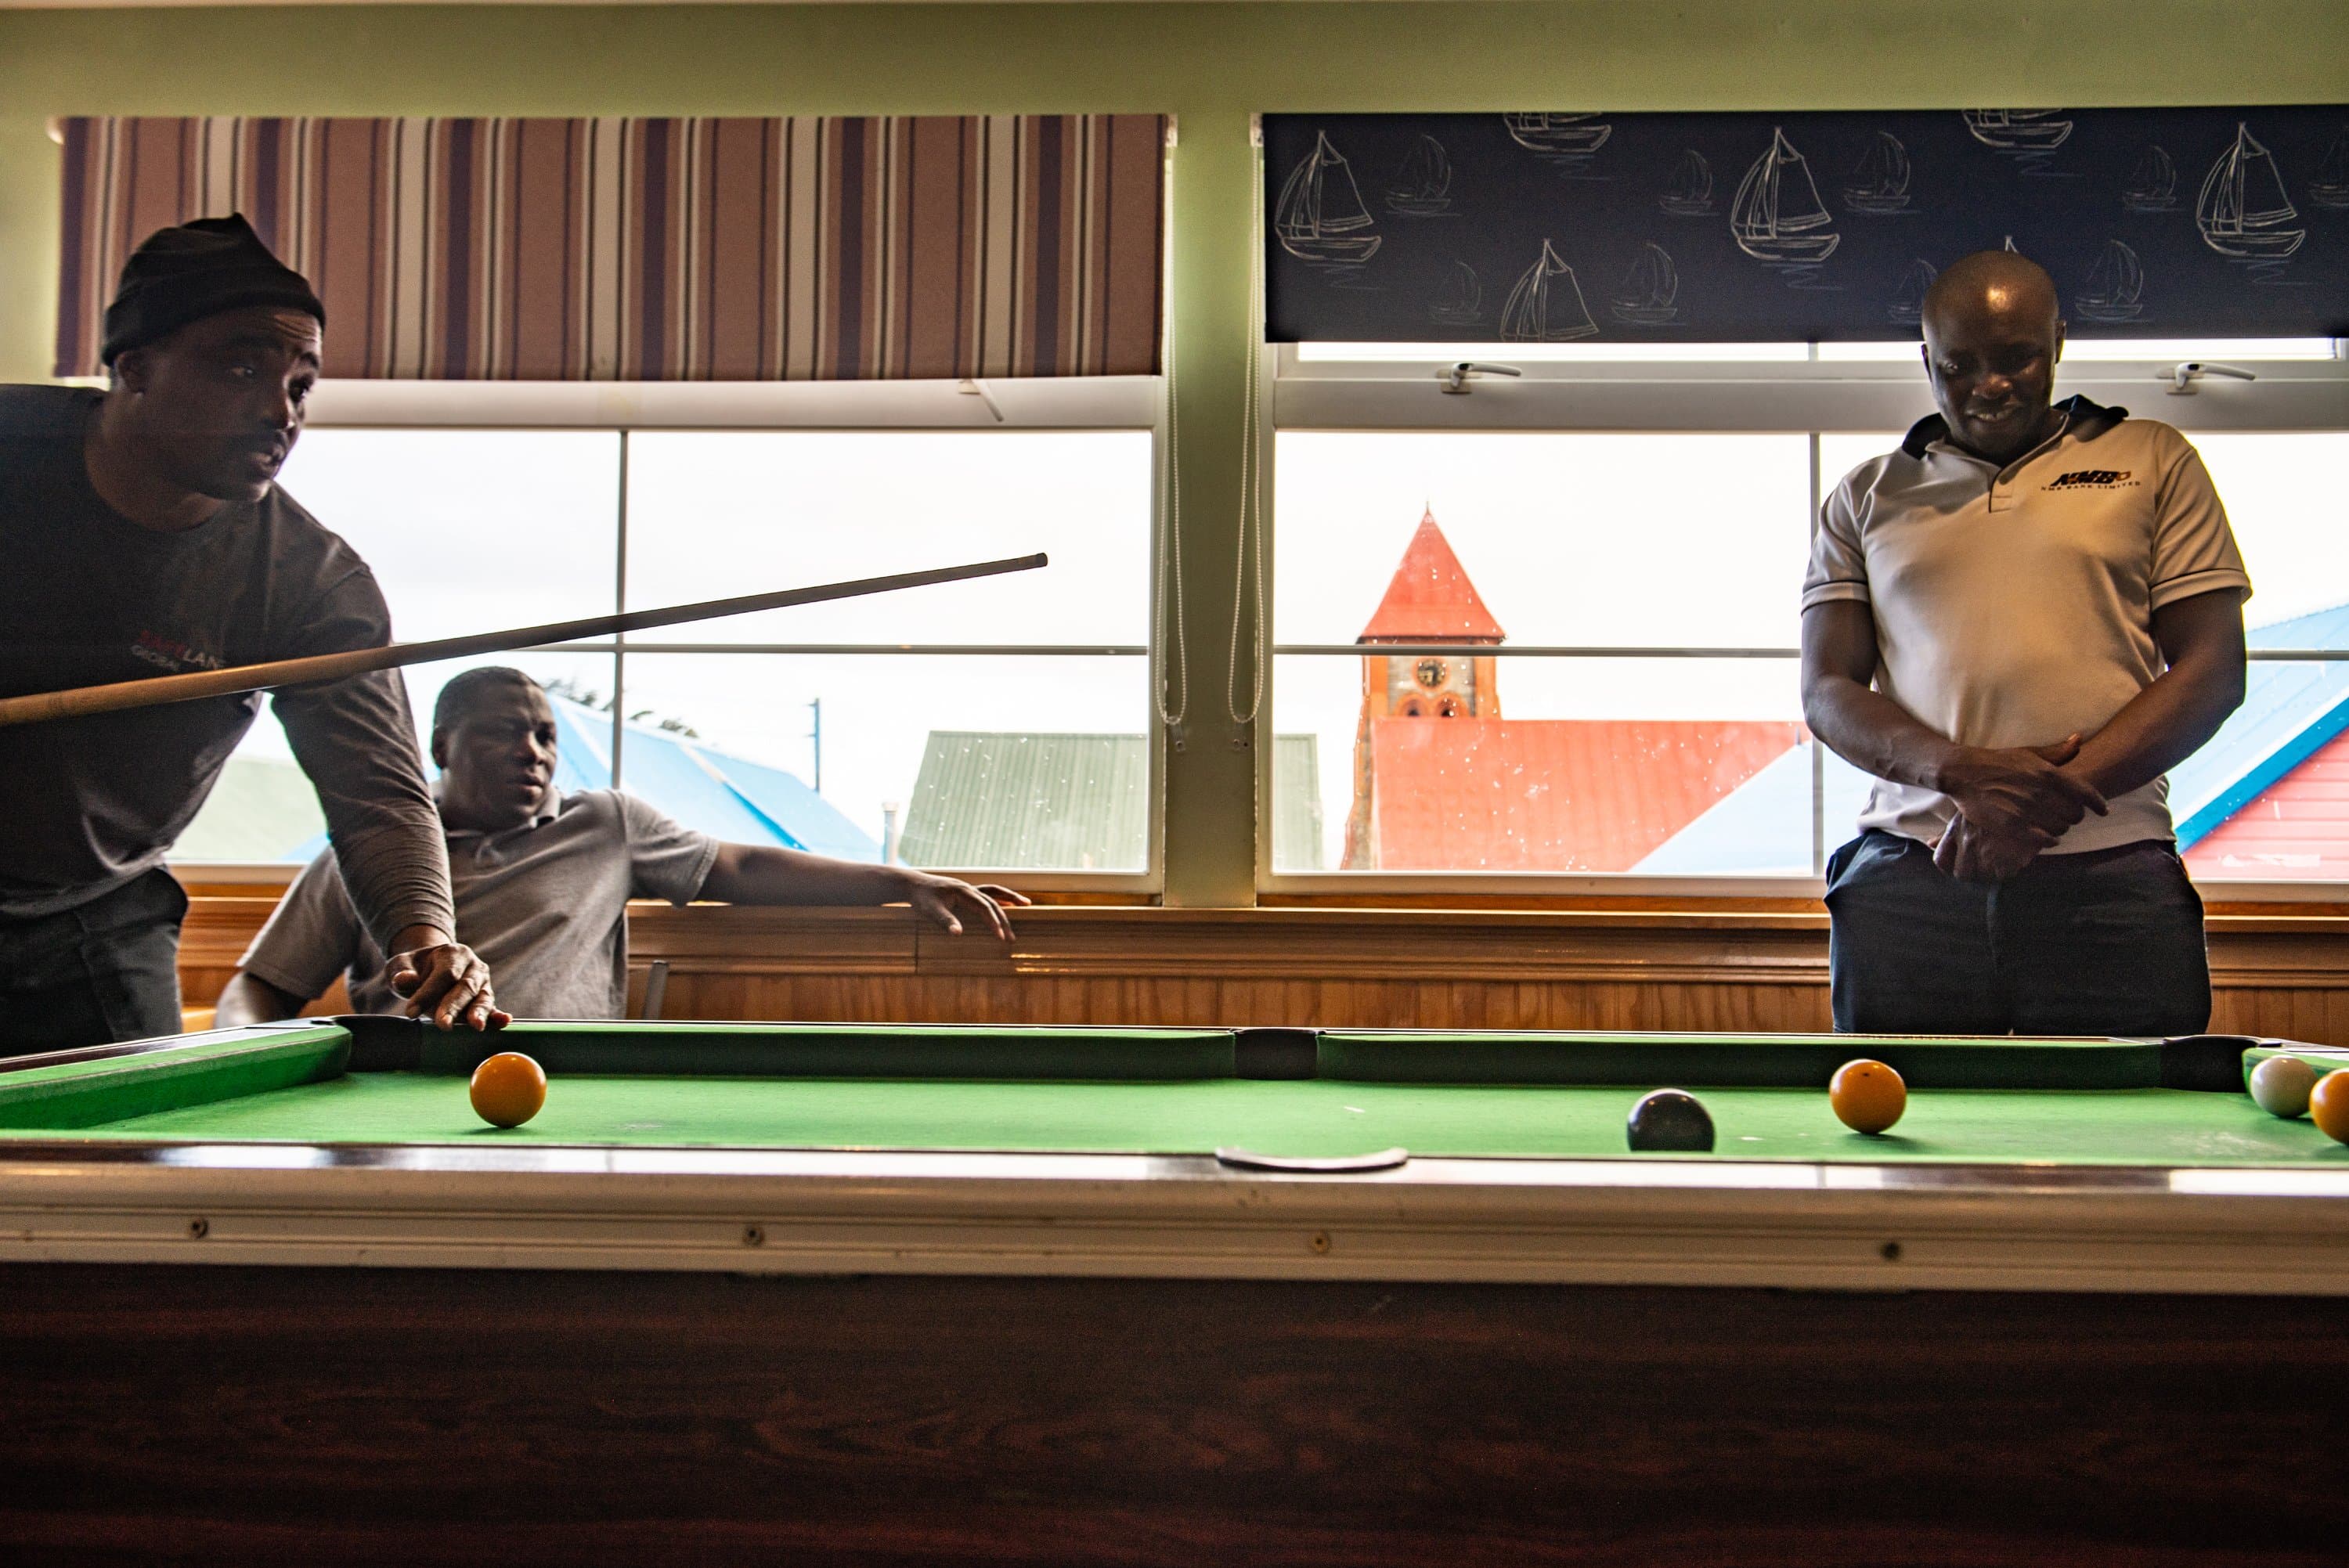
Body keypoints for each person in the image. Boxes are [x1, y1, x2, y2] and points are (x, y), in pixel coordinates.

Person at [0, 215, 500, 1054]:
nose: (280, 411)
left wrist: (423, 934)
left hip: (91, 925)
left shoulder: (308, 584)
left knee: (126, 1181)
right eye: (241, 367)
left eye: (301, 384)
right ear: (135, 367)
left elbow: (376, 794)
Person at [1800, 249, 2250, 1036]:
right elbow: (1828, 691)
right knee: (1907, 1148)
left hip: (2112, 876)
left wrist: (2030, 812)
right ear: (1927, 360)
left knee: (2135, 1140)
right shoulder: (1867, 494)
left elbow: (2212, 669)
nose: (1990, 385)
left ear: (2059, 342)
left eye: (2017, 358)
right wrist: (1965, 776)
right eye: (1959, 364)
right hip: (1911, 881)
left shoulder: (2151, 459)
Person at [215, 667, 1028, 1023]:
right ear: (440, 746)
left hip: (560, 1081)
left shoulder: (604, 822)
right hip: (391, 1083)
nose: (534, 751)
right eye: (505, 733)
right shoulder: (369, 856)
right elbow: (258, 989)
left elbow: (739, 867)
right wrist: (240, 1058)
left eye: (544, 735)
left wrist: (898, 878)